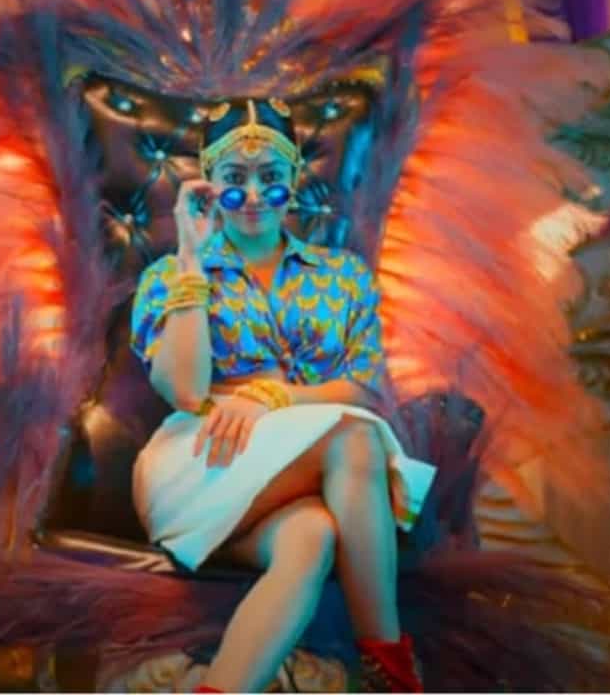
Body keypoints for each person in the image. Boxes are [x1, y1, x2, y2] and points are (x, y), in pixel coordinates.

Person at [129, 98, 436, 692]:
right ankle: (393, 673)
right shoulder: (171, 274)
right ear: (208, 186)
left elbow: (364, 386)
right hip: (203, 456)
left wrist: (270, 397)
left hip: (299, 471)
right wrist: (191, 256)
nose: (252, 196)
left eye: (270, 178)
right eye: (234, 180)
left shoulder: (342, 276)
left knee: (312, 535)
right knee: (355, 441)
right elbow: (186, 391)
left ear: (294, 179)